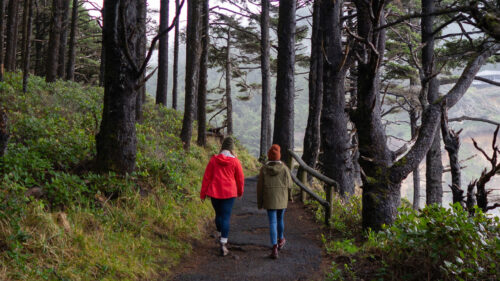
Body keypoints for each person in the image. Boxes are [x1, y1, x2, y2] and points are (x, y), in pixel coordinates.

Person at [200, 137, 245, 256]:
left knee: (218, 215)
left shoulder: (214, 160)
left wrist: (203, 193)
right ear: (232, 148)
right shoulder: (235, 161)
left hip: (214, 192)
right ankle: (223, 242)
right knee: (226, 217)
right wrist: (240, 192)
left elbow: (207, 178)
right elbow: (240, 179)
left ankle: (220, 233)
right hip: (229, 193)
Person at [257, 144, 292, 259]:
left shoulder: (264, 169)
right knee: (280, 219)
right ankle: (281, 239)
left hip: (269, 198)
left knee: (272, 222)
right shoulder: (285, 168)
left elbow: (260, 187)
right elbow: (290, 185)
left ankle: (274, 247)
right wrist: (290, 197)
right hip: (282, 198)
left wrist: (260, 202)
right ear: (279, 156)